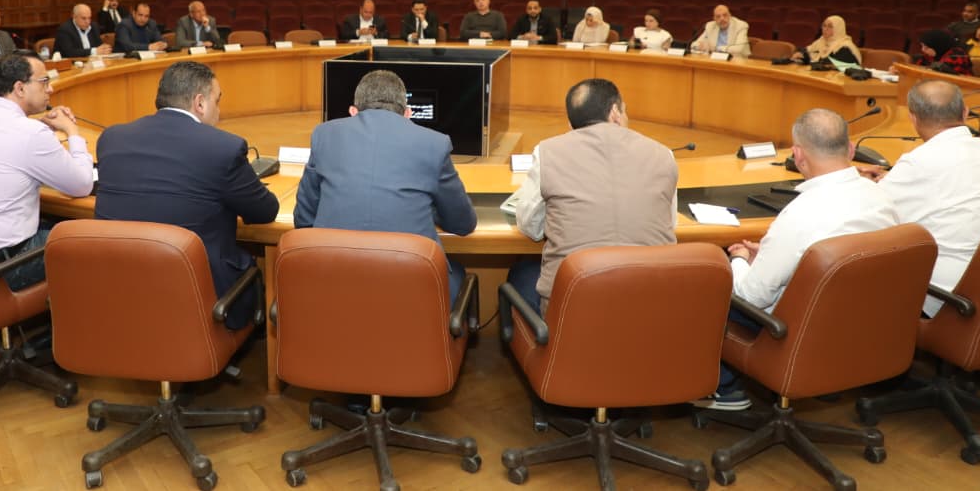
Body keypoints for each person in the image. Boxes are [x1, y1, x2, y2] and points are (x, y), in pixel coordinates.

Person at [703, 109, 900, 411]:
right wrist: (766, 256)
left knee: (708, 280)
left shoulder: (800, 214)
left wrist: (740, 259)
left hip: (799, 333)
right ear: (850, 150)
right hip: (861, 326)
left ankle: (725, 389)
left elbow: (751, 296)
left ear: (797, 156)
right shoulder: (882, 198)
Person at [95, 61, 278, 329]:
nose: (219, 111)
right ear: (200, 103)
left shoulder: (111, 139)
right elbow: (265, 211)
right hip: (201, 303)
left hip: (121, 296)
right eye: (217, 101)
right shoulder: (223, 148)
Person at [294, 70, 477, 300]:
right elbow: (462, 223)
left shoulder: (324, 135)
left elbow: (303, 220)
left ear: (353, 112)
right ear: (408, 114)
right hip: (411, 295)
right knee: (457, 274)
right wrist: (426, 207)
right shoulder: (435, 143)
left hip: (332, 291)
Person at [503, 78, 677, 315]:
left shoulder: (547, 152)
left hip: (573, 313)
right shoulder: (664, 155)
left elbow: (529, 226)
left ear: (570, 124)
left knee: (522, 273)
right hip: (652, 310)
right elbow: (669, 223)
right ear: (615, 112)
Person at [867, 80, 980, 315]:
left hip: (950, 302)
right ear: (965, 113)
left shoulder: (918, 163)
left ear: (913, 119)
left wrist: (865, 183)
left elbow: (872, 214)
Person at [0, 52, 93, 290]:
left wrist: (41, 128)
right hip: (4, 266)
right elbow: (82, 185)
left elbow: (6, 148)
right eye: (44, 82)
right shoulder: (30, 133)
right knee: (93, 241)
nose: (51, 89)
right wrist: (73, 132)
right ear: (20, 88)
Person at [791, 15, 862, 66]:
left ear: (838, 29)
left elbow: (829, 63)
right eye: (824, 25)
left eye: (830, 26)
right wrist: (800, 55)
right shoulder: (821, 41)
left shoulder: (845, 47)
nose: (825, 29)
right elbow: (808, 51)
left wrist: (808, 59)